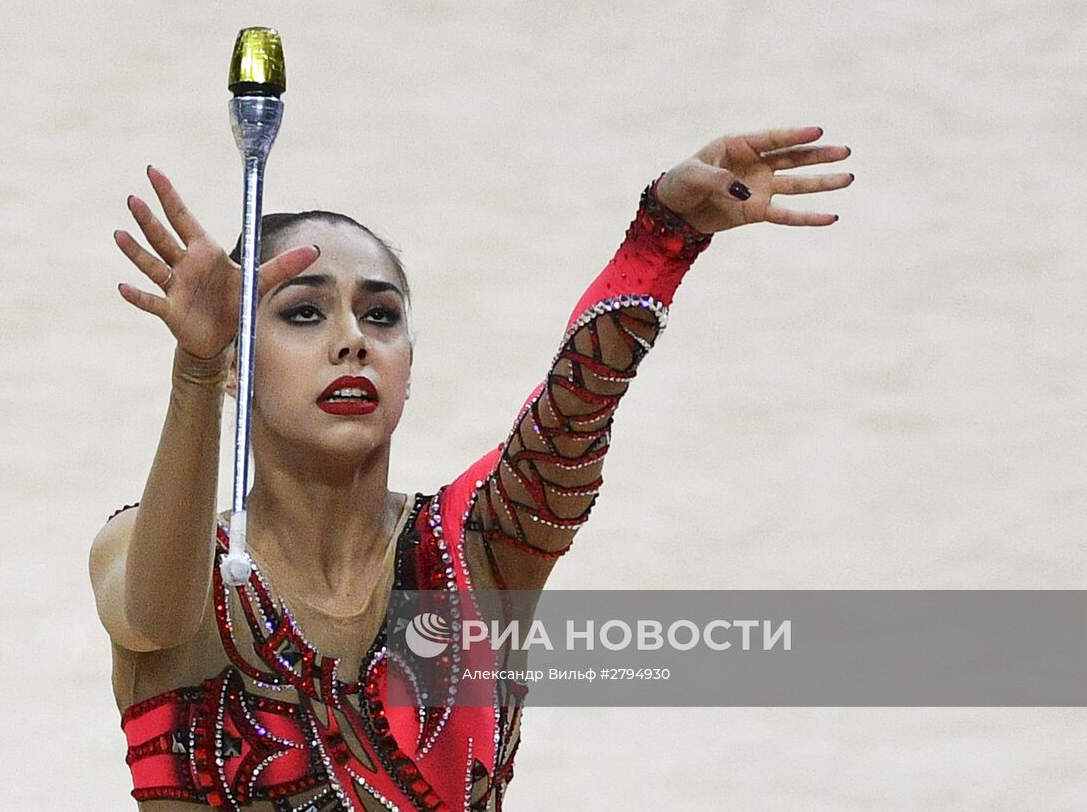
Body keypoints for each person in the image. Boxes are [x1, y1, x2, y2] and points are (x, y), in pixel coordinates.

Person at [90, 127, 853, 810]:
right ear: (237, 362)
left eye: (380, 315)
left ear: (409, 367)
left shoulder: (475, 549)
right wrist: (195, 366)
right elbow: (159, 618)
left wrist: (664, 238)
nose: (352, 340)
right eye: (303, 313)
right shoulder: (151, 552)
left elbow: (576, 409)